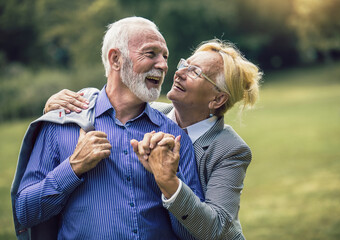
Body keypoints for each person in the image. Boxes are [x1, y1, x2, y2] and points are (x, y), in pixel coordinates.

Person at [45, 39, 262, 239]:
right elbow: (112, 96)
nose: (179, 73)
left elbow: (217, 228)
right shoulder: (150, 113)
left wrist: (170, 183)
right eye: (184, 64)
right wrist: (58, 107)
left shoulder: (230, 150)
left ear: (217, 99)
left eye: (194, 72)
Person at [12, 16, 204, 240]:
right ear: (115, 59)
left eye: (165, 56)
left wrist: (169, 181)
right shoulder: (61, 124)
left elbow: (194, 235)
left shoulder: (175, 138)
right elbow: (24, 212)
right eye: (151, 53)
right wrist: (73, 168)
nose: (162, 65)